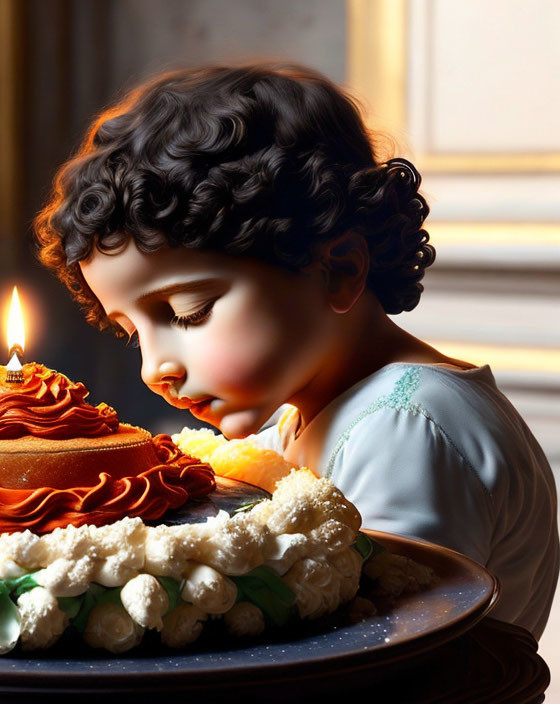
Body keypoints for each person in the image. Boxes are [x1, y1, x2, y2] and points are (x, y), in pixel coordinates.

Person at [34, 63, 559, 639]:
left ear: (338, 269)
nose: (155, 368)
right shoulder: (295, 415)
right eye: (131, 332)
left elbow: (374, 651)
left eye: (189, 312)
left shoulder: (404, 424)